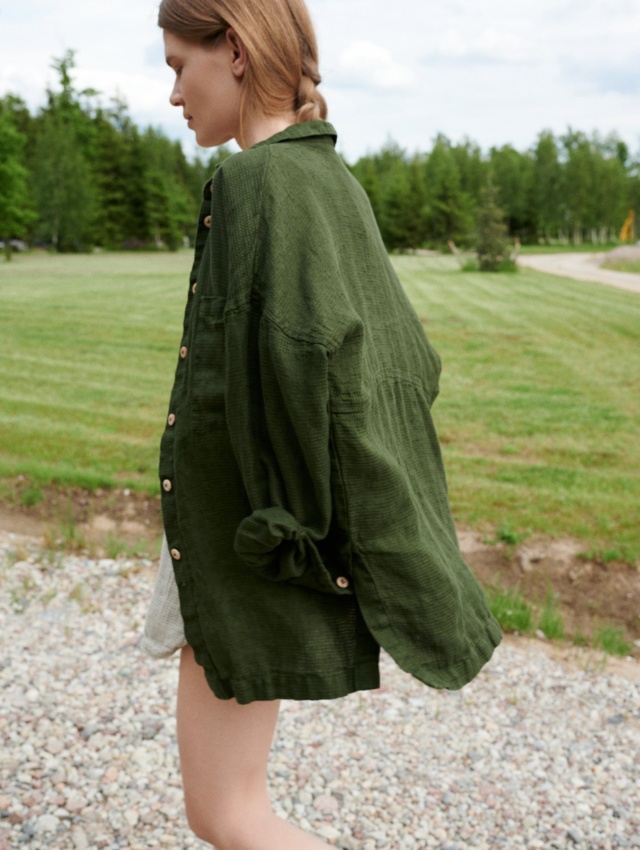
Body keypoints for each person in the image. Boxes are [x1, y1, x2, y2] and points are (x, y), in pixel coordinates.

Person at [141, 1, 502, 847]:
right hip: (265, 528)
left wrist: (297, 533)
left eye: (175, 65)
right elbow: (400, 365)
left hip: (245, 538)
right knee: (234, 806)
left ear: (232, 49)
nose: (172, 94)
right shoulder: (330, 180)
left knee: (228, 812)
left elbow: (298, 381)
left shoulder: (254, 183)